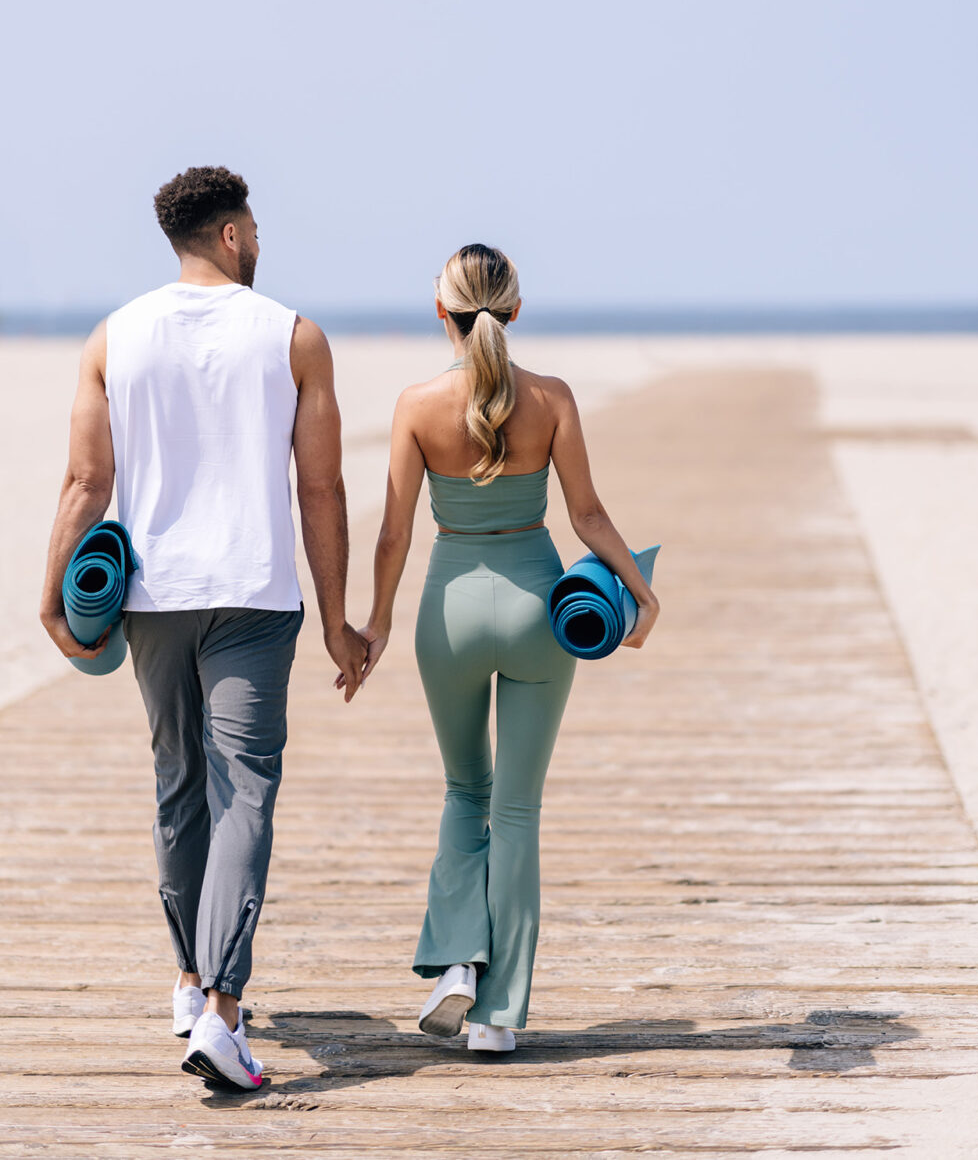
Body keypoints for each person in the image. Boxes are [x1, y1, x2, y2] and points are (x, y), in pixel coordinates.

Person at [39, 166, 368, 1091]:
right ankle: (222, 1009)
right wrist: (338, 620)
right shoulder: (294, 337)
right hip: (253, 597)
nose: (259, 241)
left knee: (179, 782)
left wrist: (48, 595)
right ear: (231, 235)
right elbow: (321, 487)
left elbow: (83, 484)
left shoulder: (114, 336)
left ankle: (188, 978)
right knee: (245, 792)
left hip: (153, 600)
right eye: (254, 228)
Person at [359, 243, 658, 1053]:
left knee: (466, 793)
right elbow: (588, 516)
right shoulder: (552, 397)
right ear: (516, 311)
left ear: (441, 311)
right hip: (536, 605)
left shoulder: (416, 405)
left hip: (449, 610)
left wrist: (375, 624)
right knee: (517, 811)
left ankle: (457, 964)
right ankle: (497, 1017)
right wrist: (641, 592)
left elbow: (392, 533)